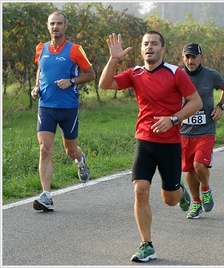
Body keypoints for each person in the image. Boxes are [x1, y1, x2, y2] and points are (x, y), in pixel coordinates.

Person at [99, 31, 202, 262]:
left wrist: (173, 119)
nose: (149, 47)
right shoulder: (135, 73)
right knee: (140, 190)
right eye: (146, 44)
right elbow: (105, 84)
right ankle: (147, 244)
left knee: (170, 200)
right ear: (141, 49)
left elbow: (197, 102)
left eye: (154, 44)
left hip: (170, 143)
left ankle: (181, 191)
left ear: (162, 50)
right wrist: (114, 58)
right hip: (144, 141)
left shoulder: (176, 73)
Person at [30, 12, 95, 211]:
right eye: (52, 23)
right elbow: (40, 69)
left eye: (59, 23)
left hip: (68, 109)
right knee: (45, 149)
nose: (55, 27)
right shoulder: (41, 48)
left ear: (65, 26)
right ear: (47, 26)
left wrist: (72, 81)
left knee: (70, 151)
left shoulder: (75, 50)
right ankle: (46, 196)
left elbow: (91, 74)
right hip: (46, 107)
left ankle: (80, 159)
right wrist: (36, 86)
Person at [180, 43, 224, 219]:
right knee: (189, 171)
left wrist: (220, 106)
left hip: (206, 130)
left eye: (194, 57)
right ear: (183, 57)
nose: (190, 61)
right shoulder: (177, 75)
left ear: (201, 57)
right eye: (187, 57)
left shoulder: (211, 75)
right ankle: (196, 202)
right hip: (184, 132)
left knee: (199, 165)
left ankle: (206, 189)